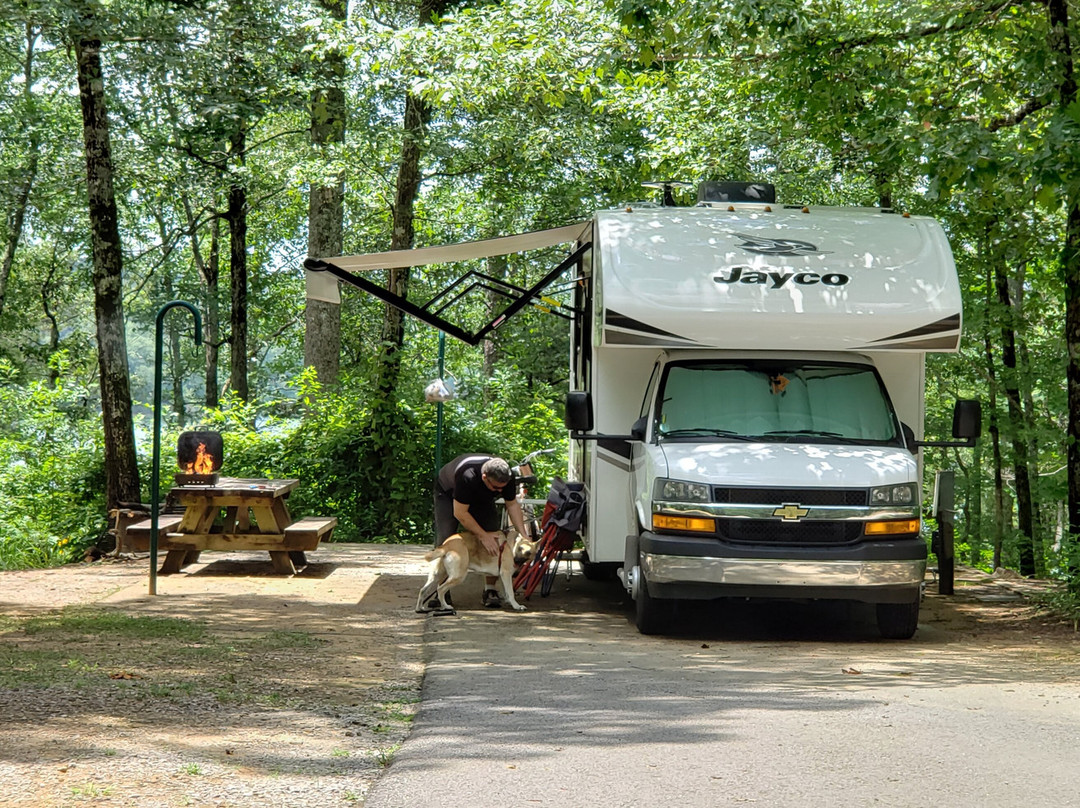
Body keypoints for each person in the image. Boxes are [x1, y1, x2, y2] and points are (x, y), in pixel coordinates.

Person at [418, 454, 530, 612]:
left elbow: (512, 505)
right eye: (496, 488)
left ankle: (490, 589)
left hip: (482, 498)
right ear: (485, 477)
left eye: (502, 488)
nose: (500, 491)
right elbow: (460, 513)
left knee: (494, 536)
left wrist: (524, 535)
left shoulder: (506, 476)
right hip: (448, 492)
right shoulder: (467, 476)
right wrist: (482, 536)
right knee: (446, 538)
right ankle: (442, 592)